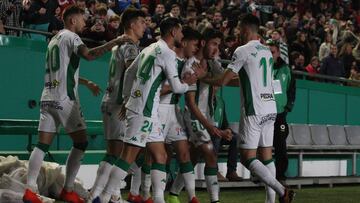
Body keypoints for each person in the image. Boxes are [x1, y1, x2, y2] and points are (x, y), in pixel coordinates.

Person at [22, 5, 130, 203]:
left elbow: (63, 71)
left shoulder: (54, 40)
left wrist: (85, 81)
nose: (84, 22)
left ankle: (30, 189)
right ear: (72, 20)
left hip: (47, 96)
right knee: (81, 142)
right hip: (65, 99)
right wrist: (116, 40)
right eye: (81, 19)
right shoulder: (72, 37)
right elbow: (88, 55)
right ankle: (68, 189)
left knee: (41, 145)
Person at [97, 17, 199, 203]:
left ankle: (158, 199)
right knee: (127, 157)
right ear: (173, 32)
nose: (182, 35)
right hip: (144, 110)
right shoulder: (167, 53)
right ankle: (103, 197)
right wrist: (188, 83)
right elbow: (176, 87)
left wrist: (127, 98)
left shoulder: (149, 48)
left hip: (145, 110)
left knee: (160, 155)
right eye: (181, 31)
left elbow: (129, 73)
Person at [203, 14, 295, 203]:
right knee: (267, 157)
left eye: (239, 29)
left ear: (245, 29)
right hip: (271, 109)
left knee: (246, 158)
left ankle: (282, 190)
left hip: (254, 109)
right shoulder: (268, 52)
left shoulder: (242, 50)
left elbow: (222, 81)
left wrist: (201, 77)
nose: (238, 33)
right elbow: (245, 80)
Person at [87, 8, 146, 203]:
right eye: (141, 22)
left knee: (113, 152)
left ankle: (107, 194)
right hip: (119, 104)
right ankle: (99, 195)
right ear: (131, 24)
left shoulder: (117, 46)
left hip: (109, 100)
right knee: (118, 153)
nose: (145, 26)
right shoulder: (130, 47)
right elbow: (133, 73)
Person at [168, 27, 232, 203]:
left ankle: (173, 193)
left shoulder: (213, 64)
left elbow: (225, 80)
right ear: (204, 43)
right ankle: (215, 200)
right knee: (210, 153)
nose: (217, 49)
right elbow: (190, 102)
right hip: (194, 117)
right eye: (214, 44)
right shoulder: (190, 66)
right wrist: (210, 126)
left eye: (219, 46)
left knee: (195, 156)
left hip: (207, 117)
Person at [159, 26, 203, 203]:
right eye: (194, 44)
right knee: (152, 157)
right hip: (158, 110)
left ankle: (192, 197)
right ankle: (143, 193)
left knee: (184, 153)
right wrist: (183, 82)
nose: (196, 49)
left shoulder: (187, 62)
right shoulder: (166, 56)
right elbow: (158, 90)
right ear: (183, 42)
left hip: (174, 111)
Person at [267, 40, 296, 184]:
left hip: (280, 115)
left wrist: (287, 108)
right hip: (264, 114)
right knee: (263, 146)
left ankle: (281, 176)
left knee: (280, 146)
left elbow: (291, 90)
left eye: (272, 52)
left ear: (278, 53)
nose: (269, 55)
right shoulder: (263, 67)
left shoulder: (286, 70)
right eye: (267, 52)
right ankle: (263, 176)